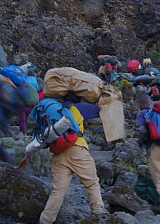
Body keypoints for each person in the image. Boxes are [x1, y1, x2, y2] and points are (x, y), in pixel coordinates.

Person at [18, 92, 105, 224]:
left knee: (58, 190)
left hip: (58, 152)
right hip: (77, 149)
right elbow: (100, 110)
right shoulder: (78, 108)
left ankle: (45, 220)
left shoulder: (56, 112)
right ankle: (99, 215)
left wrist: (27, 156)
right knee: (92, 182)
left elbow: (40, 137)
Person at [18, 64, 40, 135]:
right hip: (30, 105)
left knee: (22, 120)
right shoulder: (35, 81)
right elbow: (38, 89)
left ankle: (23, 134)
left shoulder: (24, 79)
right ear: (34, 73)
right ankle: (26, 131)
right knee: (25, 119)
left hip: (22, 103)